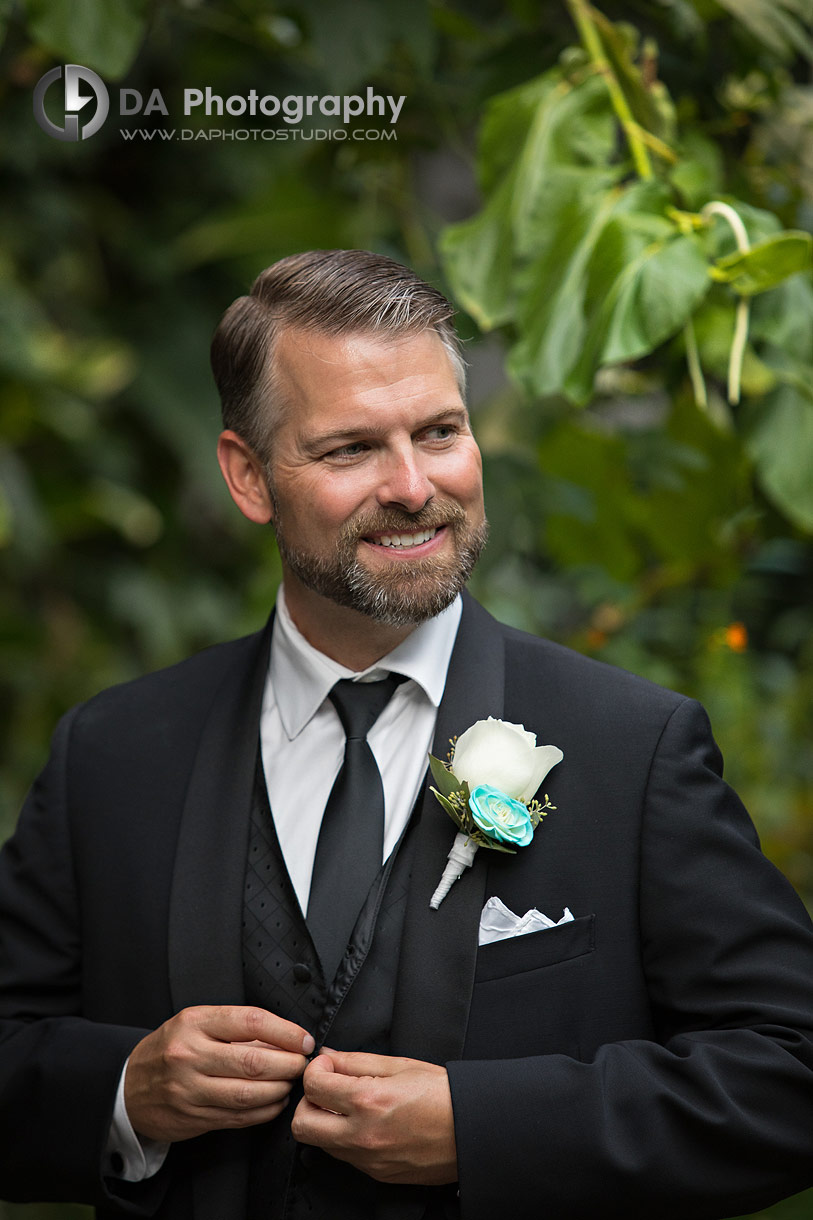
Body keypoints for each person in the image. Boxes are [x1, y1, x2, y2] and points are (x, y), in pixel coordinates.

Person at [1, 249, 813, 1220]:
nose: (413, 484)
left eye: (439, 431)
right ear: (249, 475)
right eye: (350, 448)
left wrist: (484, 1125)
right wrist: (124, 1089)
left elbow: (789, 1073)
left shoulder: (632, 746)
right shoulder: (115, 753)